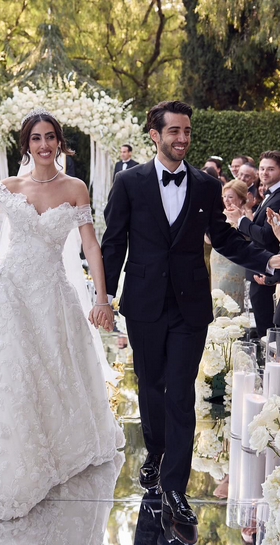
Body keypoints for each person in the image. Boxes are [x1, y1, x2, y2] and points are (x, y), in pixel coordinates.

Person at [0, 107, 124, 520]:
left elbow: (90, 246)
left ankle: (53, 445)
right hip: (9, 291)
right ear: (26, 144)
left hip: (52, 295)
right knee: (9, 371)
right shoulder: (10, 186)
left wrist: (101, 299)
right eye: (36, 138)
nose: (44, 144)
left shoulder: (75, 188)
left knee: (53, 370)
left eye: (50, 137)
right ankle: (6, 453)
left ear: (59, 142)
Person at [101, 101, 280, 528]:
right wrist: (103, 296)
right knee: (151, 386)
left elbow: (223, 237)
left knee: (180, 391)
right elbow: (114, 241)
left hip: (190, 305)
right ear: (155, 135)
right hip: (144, 302)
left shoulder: (204, 184)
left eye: (186, 131)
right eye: (174, 131)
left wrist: (267, 259)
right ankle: (156, 450)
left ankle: (175, 488)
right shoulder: (128, 182)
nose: (182, 138)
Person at [226, 151, 280, 337]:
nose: (264, 173)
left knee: (268, 331)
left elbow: (266, 236)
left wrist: (241, 220)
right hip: (260, 270)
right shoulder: (270, 194)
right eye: (262, 169)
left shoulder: (278, 197)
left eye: (270, 169)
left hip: (268, 272)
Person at [209, 181, 249, 310]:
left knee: (230, 294)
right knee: (217, 295)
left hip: (234, 260)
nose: (226, 200)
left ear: (241, 199)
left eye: (230, 197)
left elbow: (248, 236)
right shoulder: (220, 214)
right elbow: (208, 240)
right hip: (217, 258)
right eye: (224, 196)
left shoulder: (246, 215)